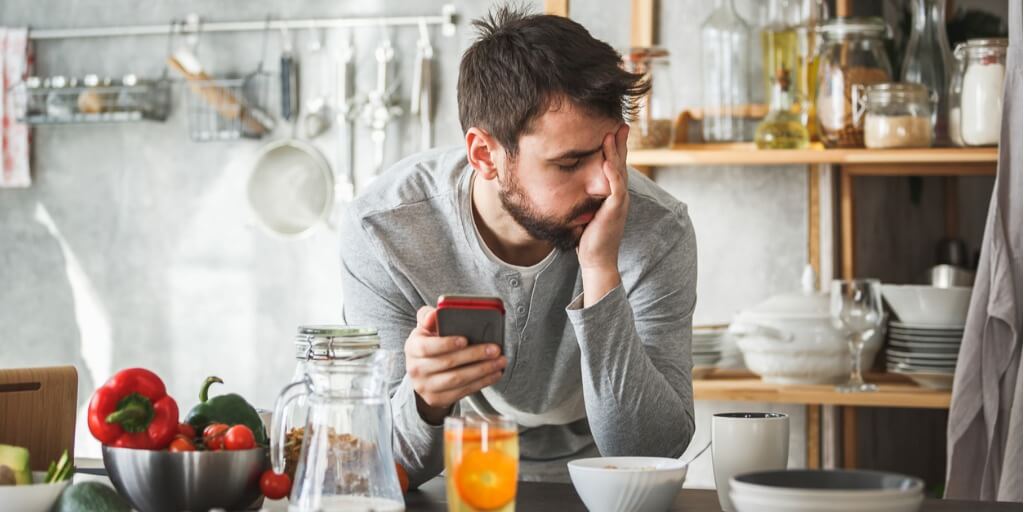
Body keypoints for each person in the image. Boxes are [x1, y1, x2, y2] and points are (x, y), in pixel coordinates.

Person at [340, 6, 697, 485]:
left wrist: (600, 270)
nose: (604, 185)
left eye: (609, 153)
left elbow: (650, 451)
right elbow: (388, 463)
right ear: (486, 155)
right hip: (460, 472)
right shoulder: (383, 230)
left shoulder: (659, 229)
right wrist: (425, 399)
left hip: (600, 478)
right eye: (570, 163)